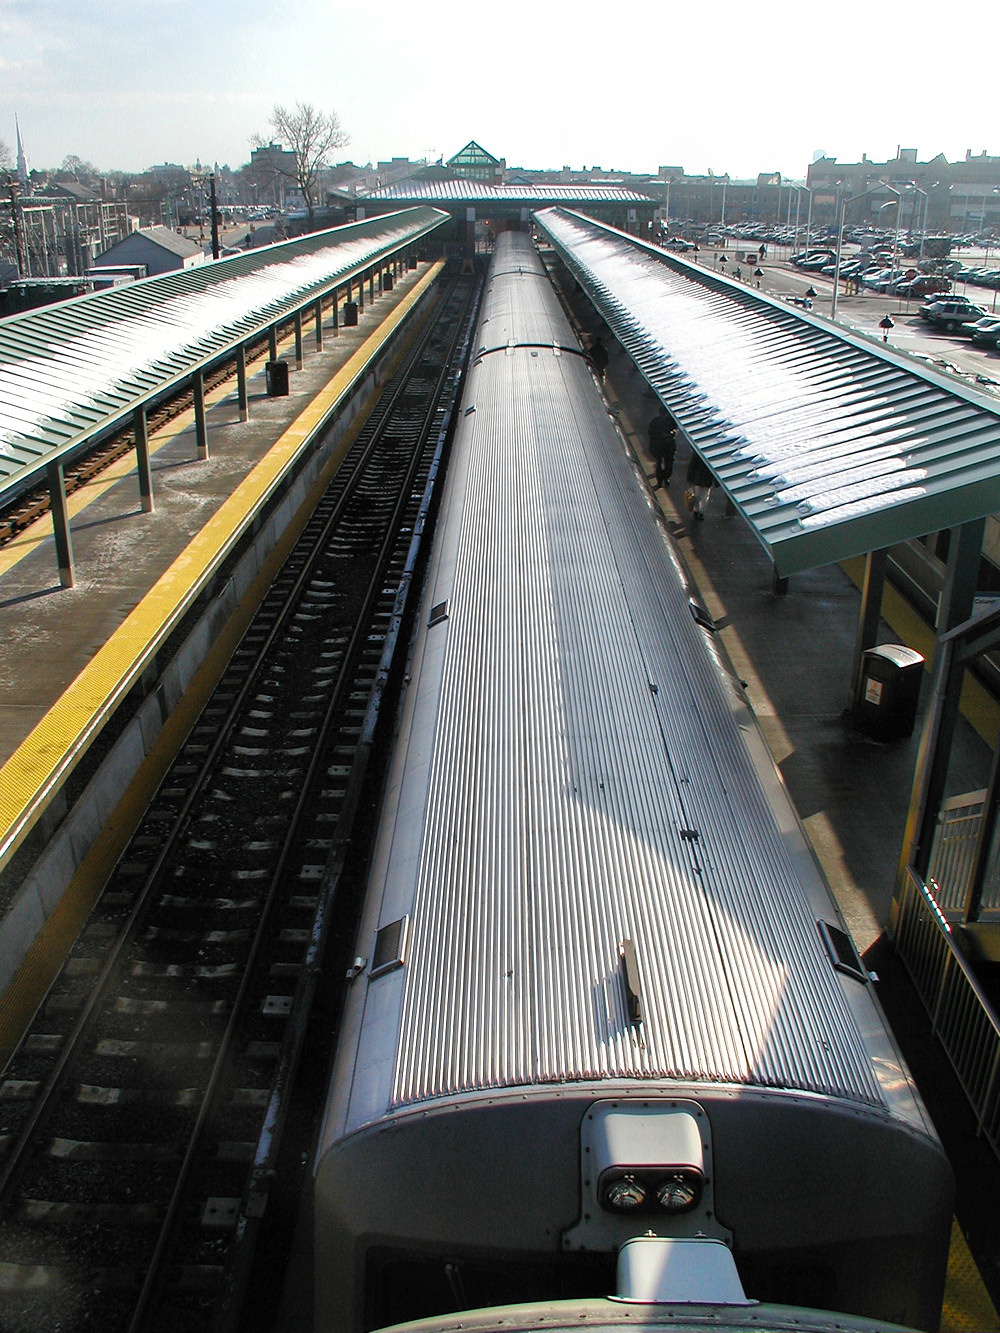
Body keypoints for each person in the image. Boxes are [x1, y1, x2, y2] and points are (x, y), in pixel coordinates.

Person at [647, 409, 677, 488]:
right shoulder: (656, 421)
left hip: (668, 446)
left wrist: (672, 433)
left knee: (668, 464)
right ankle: (660, 480)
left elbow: (675, 429)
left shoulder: (669, 421)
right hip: (659, 446)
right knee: (659, 463)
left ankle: (666, 478)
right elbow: (651, 433)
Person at [685, 452, 715, 521]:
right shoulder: (712, 454)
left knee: (697, 495)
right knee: (705, 496)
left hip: (698, 477)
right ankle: (701, 512)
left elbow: (693, 465)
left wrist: (690, 479)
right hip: (708, 479)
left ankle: (696, 511)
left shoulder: (697, 453)